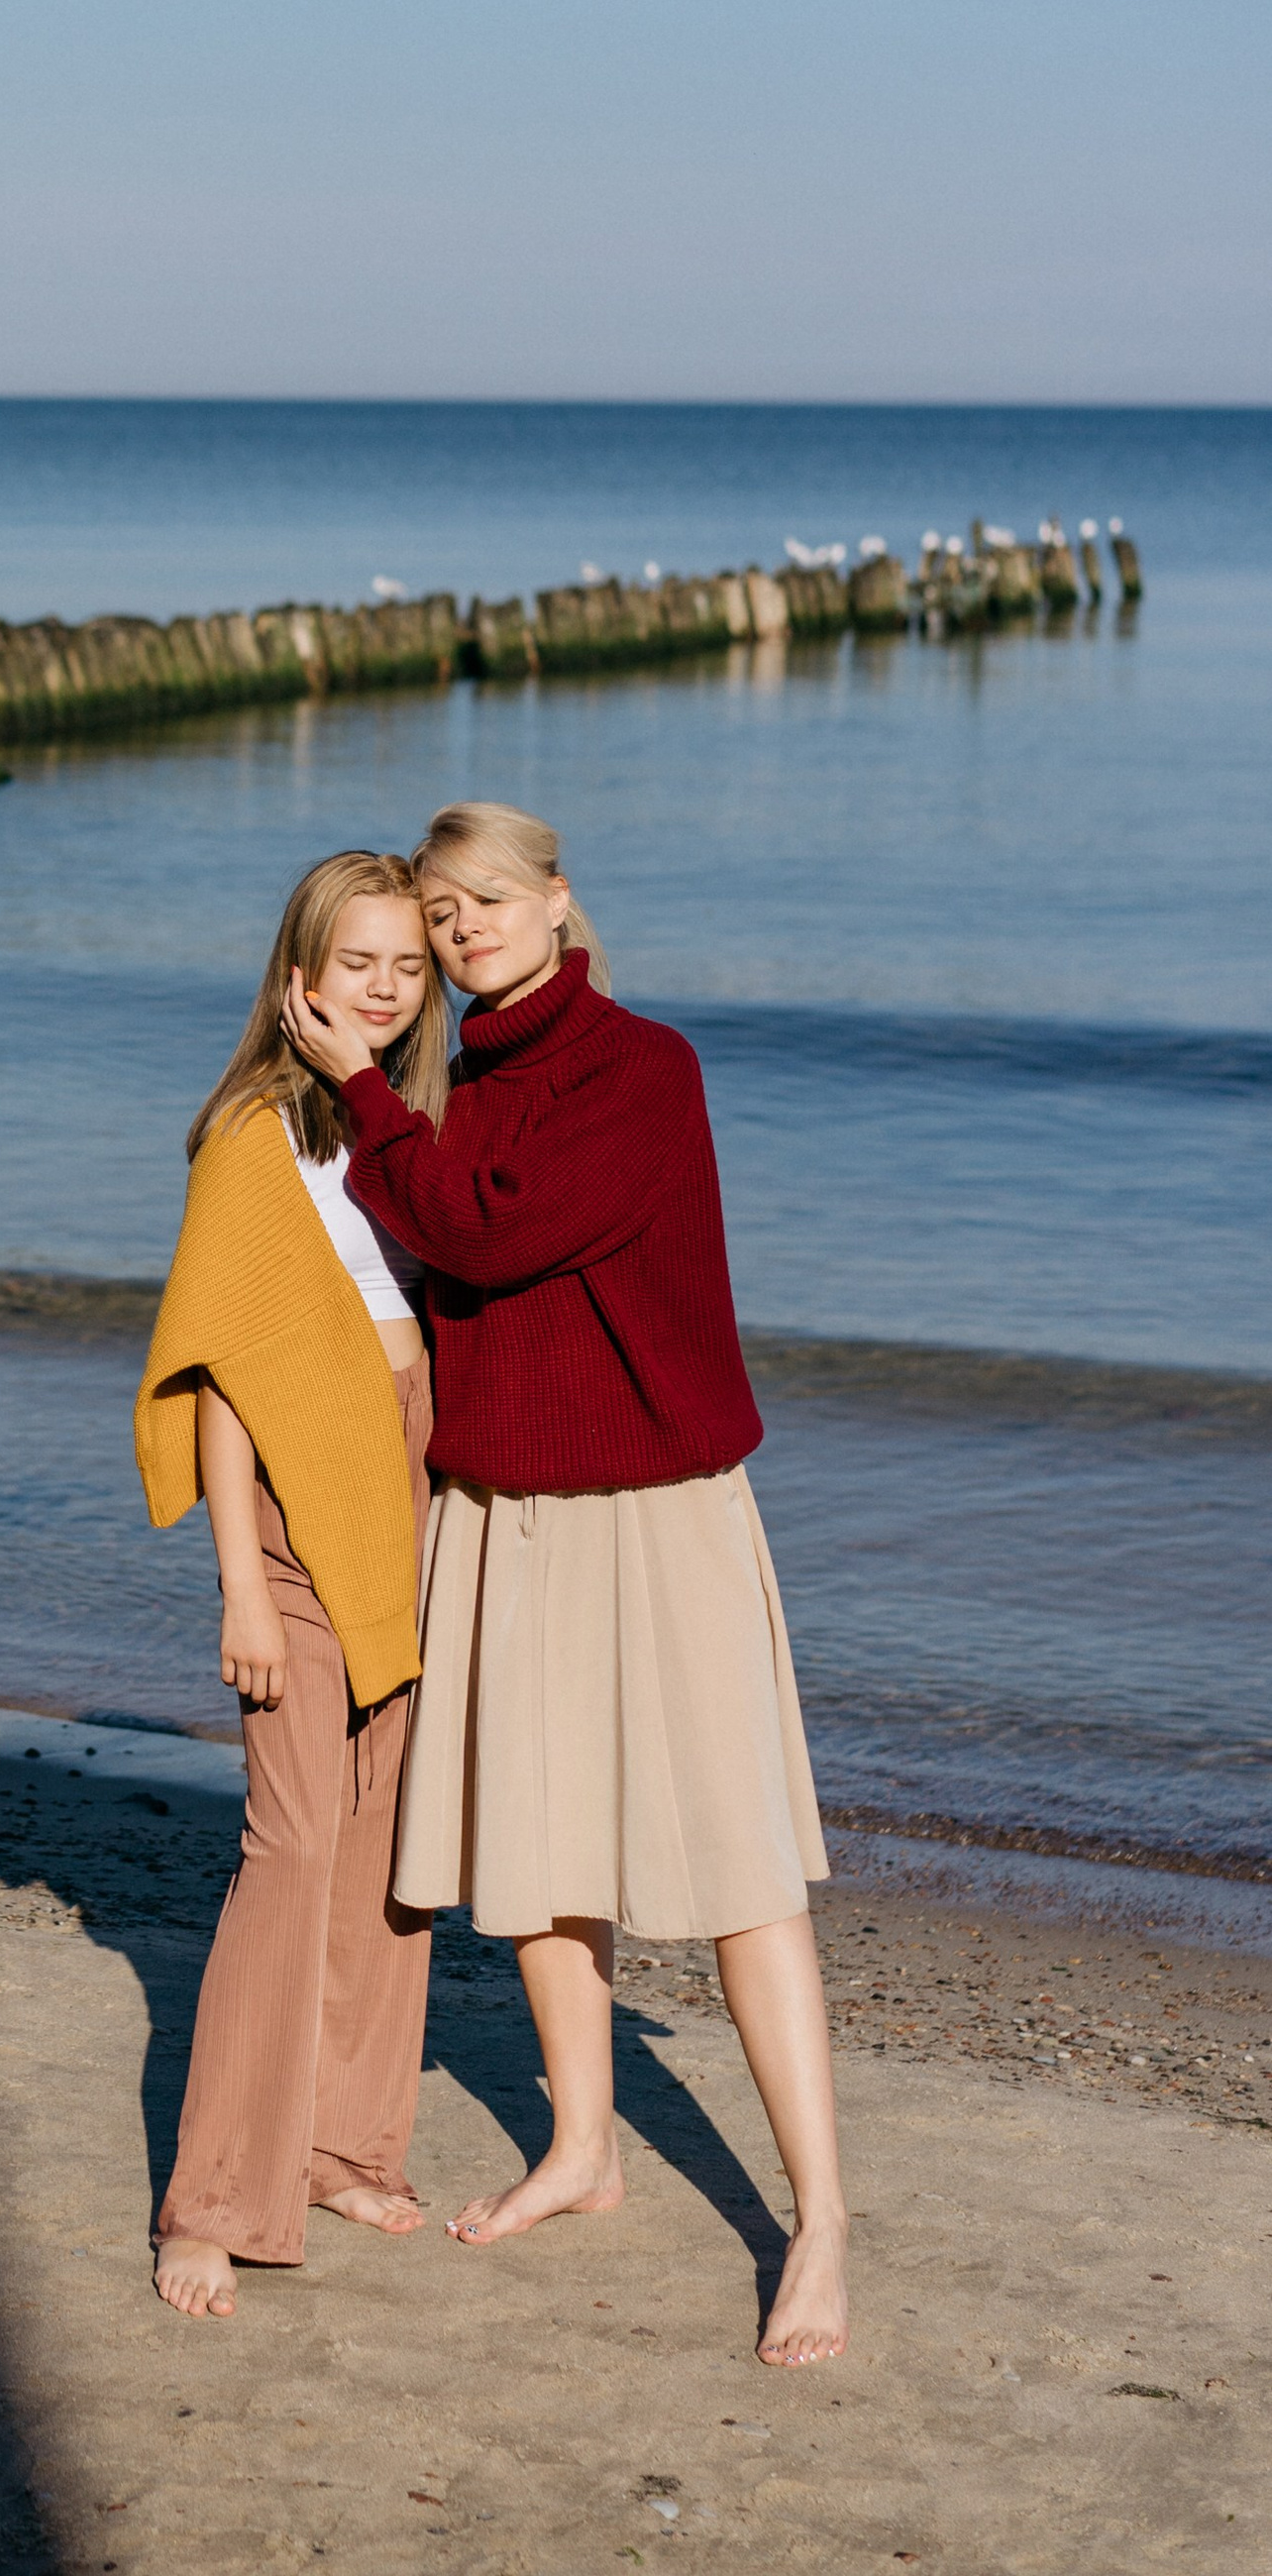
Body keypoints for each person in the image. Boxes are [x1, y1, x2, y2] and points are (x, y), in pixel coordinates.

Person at [280, 799, 849, 2371]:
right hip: (505, 1507)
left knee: (740, 1869)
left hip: (659, 1508)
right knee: (536, 1854)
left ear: (557, 904)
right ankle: (584, 2145)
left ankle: (819, 2221)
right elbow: (402, 1253)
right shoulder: (451, 1086)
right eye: (439, 910)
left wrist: (358, 1088)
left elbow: (486, 1234)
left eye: (488, 899)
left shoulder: (641, 1070)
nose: (464, 927)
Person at [133, 851, 448, 2320]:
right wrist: (241, 1591)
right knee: (292, 1844)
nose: (383, 988)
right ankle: (214, 2201)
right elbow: (223, 1375)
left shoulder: (410, 1124)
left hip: (419, 1494)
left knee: (388, 1842)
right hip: (295, 1519)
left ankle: (339, 2147)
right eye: (357, 962)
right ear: (299, 977)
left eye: (408, 965)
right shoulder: (256, 1134)